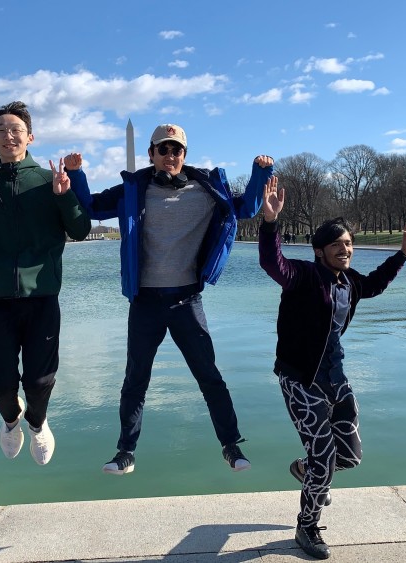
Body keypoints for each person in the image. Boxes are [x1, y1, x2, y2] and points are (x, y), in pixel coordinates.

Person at [67, 124, 275, 475]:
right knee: (135, 380)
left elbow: (245, 208)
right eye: (162, 150)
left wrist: (260, 173)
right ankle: (125, 452)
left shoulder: (207, 189)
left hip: (186, 300)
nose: (170, 156)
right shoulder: (134, 189)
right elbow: (91, 208)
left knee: (209, 376)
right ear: (150, 154)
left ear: (184, 155)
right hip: (145, 301)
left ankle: (231, 446)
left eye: (176, 150)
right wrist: (77, 174)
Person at [258, 177, 406, 560]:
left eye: (348, 244)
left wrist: (403, 255)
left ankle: (305, 469)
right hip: (300, 379)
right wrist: (270, 222)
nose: (345, 249)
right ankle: (306, 527)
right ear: (319, 251)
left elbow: (375, 284)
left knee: (350, 456)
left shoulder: (349, 282)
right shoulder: (304, 278)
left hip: (335, 378)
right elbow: (272, 263)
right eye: (336, 245)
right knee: (324, 459)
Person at [0, 102, 91, 465]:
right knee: (0, 383)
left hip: (42, 296)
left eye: (16, 129)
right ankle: (12, 421)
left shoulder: (47, 181)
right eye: (1, 129)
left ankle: (38, 423)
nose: (9, 135)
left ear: (30, 136)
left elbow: (80, 230)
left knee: (41, 380)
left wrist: (64, 196)